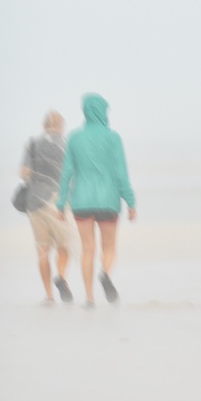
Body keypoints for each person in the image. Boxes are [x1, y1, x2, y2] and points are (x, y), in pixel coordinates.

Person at [56, 93, 136, 308]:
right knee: (109, 248)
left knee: (87, 249)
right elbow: (121, 173)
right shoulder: (113, 138)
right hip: (108, 200)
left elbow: (67, 173)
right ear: (102, 111)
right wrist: (131, 202)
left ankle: (89, 298)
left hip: (81, 200)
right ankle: (106, 274)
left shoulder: (74, 137)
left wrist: (61, 203)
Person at [20, 110, 74, 305]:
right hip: (57, 201)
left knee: (42, 250)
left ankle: (49, 296)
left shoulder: (32, 143)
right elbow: (71, 176)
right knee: (65, 243)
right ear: (61, 126)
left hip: (34, 202)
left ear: (44, 125)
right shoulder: (65, 144)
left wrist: (36, 175)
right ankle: (60, 276)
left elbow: (23, 172)